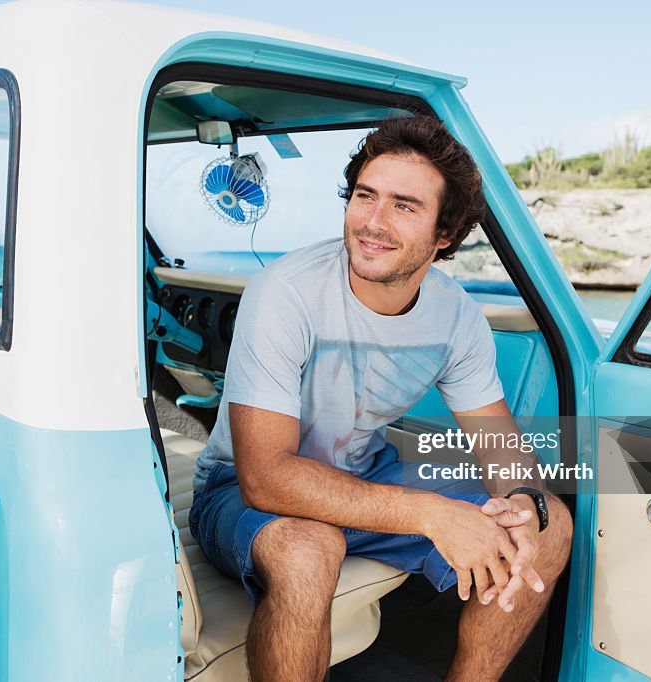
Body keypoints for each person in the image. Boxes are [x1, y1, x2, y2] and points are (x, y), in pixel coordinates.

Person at [188, 115, 573, 682]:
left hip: (367, 476)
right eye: (365, 196)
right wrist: (435, 515)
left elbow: (502, 452)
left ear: (445, 235)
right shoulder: (286, 295)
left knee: (548, 526)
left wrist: (523, 504)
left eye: (404, 206)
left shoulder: (456, 317)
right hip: (240, 494)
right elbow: (265, 477)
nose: (372, 222)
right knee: (307, 550)